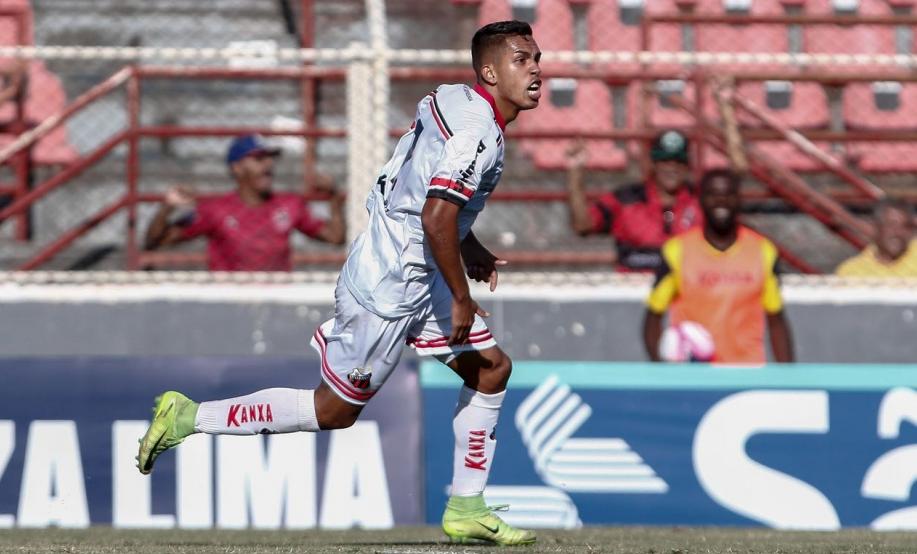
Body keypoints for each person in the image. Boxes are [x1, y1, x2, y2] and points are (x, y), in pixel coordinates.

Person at [136, 21, 542, 546]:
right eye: (521, 59)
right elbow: (436, 216)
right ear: (489, 71)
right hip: (391, 286)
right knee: (334, 411)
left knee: (491, 369)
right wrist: (461, 293)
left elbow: (417, 187)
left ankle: (466, 506)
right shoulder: (478, 135)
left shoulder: (455, 99)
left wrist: (471, 246)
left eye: (535, 57)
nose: (535, 69)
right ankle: (190, 416)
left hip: (416, 269)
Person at [642, 169, 794, 365]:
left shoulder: (763, 250)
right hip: (695, 376)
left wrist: (787, 377)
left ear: (738, 199)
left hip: (746, 372)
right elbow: (653, 317)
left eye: (728, 194)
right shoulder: (677, 250)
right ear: (701, 199)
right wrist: (661, 370)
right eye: (713, 194)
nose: (721, 202)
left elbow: (776, 320)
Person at [143, 134, 346, 271]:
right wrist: (166, 208)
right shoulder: (216, 210)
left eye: (270, 159)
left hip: (276, 298)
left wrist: (333, 199)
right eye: (258, 159)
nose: (268, 165)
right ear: (237, 167)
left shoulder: (289, 205)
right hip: (230, 302)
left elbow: (335, 237)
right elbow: (156, 241)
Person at [566, 129, 701, 272]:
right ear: (654, 164)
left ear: (687, 166)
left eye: (679, 162)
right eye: (665, 161)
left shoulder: (701, 201)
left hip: (687, 290)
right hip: (634, 290)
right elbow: (582, 225)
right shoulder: (625, 200)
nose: (672, 168)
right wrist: (575, 171)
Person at [836, 198, 917, 277]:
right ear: (876, 227)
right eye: (891, 225)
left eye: (905, 226)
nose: (898, 232)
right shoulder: (851, 272)